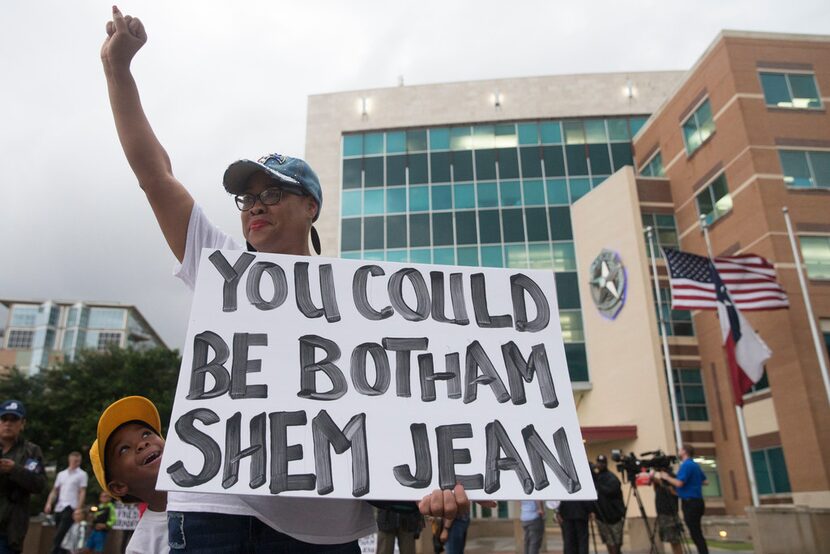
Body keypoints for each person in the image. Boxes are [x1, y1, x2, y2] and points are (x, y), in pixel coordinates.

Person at [100, 7, 469, 552]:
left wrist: (439, 475)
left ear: (311, 206)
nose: (255, 206)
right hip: (218, 513)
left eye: (272, 193)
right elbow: (155, 176)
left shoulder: (364, 301)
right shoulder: (220, 264)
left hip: (328, 527)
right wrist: (118, 71)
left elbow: (408, 402)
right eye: (247, 197)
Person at [89, 396, 168, 554]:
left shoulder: (219, 488)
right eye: (124, 449)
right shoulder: (141, 547)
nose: (142, 443)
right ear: (119, 487)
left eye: (146, 434)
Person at [0, 399, 46, 554]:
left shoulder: (31, 452)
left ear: (22, 423)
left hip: (9, 531)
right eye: (4, 419)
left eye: (14, 420)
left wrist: (14, 469)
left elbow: (38, 484)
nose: (8, 424)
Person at [658, 445, 708, 554]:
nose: (678, 452)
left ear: (685, 452)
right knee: (697, 532)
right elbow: (705, 481)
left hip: (690, 503)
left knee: (695, 534)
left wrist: (666, 477)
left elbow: (679, 483)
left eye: (680, 450)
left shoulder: (686, 465)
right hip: (698, 501)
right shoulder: (694, 465)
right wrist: (692, 484)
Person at [44, 451, 88, 554]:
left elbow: (82, 491)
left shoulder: (82, 475)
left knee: (60, 534)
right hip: (59, 507)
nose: (76, 462)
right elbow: (55, 490)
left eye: (78, 461)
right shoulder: (61, 474)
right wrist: (49, 503)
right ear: (70, 460)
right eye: (74, 460)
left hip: (70, 507)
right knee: (61, 535)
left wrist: (78, 508)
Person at [592, 455, 625, 554]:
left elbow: (609, 491)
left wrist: (597, 485)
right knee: (607, 540)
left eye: (602, 463)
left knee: (615, 542)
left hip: (614, 517)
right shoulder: (597, 477)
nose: (600, 465)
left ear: (606, 464)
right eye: (598, 463)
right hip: (601, 517)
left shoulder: (612, 478)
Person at [652, 470, 683, 554]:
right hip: (662, 513)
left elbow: (674, 492)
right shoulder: (659, 482)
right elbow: (656, 490)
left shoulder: (670, 477)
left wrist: (661, 481)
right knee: (671, 540)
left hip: (670, 513)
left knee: (675, 540)